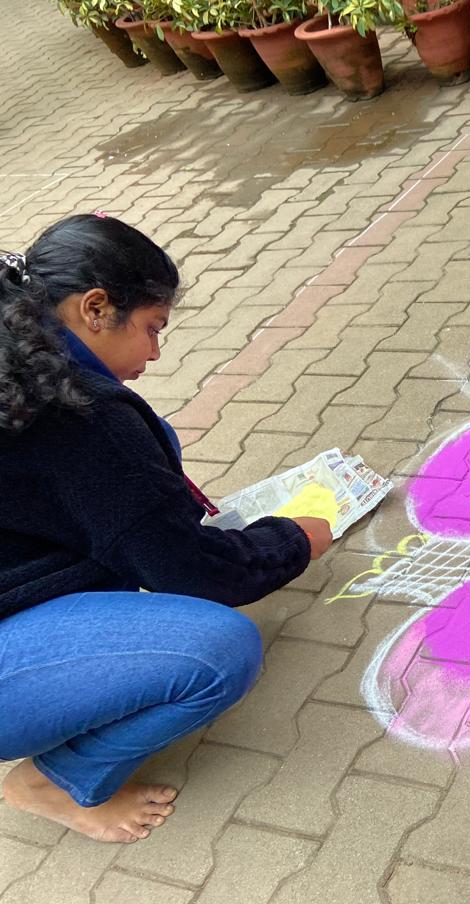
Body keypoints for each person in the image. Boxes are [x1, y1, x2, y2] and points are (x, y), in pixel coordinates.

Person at [0, 215, 333, 843]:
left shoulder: (19, 350)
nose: (155, 353)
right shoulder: (80, 417)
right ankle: (54, 781)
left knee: (153, 442)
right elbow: (200, 574)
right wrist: (293, 541)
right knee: (216, 651)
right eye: (153, 329)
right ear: (95, 308)